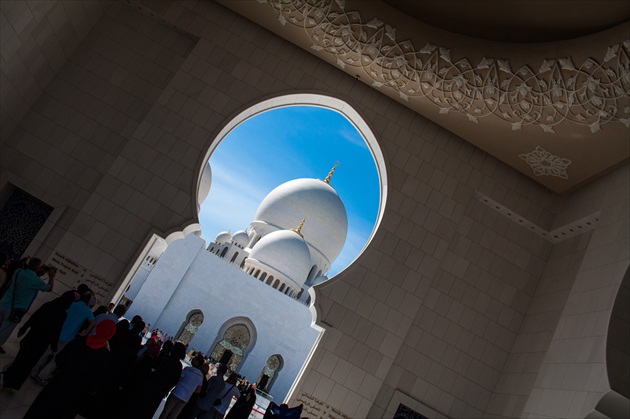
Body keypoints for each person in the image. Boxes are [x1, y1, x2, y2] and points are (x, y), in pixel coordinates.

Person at [23, 319, 117, 419]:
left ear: (98, 328)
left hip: (59, 382)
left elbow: (60, 359)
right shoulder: (104, 356)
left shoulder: (80, 341)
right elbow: (98, 379)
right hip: (76, 394)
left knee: (42, 409)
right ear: (110, 335)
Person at [0, 291, 78, 390]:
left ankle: (7, 379)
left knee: (20, 359)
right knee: (27, 365)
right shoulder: (62, 313)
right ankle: (12, 383)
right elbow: (56, 331)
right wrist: (54, 347)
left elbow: (35, 316)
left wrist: (23, 329)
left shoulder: (49, 305)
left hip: (31, 337)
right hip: (41, 344)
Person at [32, 290, 96, 384]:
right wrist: (84, 333)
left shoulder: (72, 303)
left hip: (57, 333)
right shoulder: (87, 311)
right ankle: (42, 376)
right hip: (68, 337)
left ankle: (33, 372)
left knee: (45, 353)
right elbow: (93, 323)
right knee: (56, 359)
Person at [0, 257, 55, 354]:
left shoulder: (18, 271)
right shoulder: (37, 281)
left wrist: (37, 270)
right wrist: (51, 276)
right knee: (5, 329)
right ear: (38, 268)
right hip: (15, 310)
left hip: (3, 302)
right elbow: (49, 288)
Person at [159, 353, 205, 419]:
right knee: (173, 416)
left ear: (197, 362)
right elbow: (198, 390)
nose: (193, 359)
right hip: (185, 398)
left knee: (165, 412)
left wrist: (170, 388)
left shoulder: (187, 369)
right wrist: (190, 389)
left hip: (177, 393)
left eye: (195, 358)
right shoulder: (201, 376)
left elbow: (179, 380)